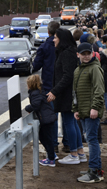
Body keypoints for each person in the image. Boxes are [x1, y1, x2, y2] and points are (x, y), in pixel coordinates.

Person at [47, 28, 86, 164]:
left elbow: (67, 76)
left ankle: (74, 154)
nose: (53, 39)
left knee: (69, 122)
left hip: (67, 94)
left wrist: (54, 91)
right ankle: (80, 153)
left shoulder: (66, 54)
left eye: (56, 37)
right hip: (68, 93)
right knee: (72, 122)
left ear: (62, 39)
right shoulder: (67, 52)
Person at [33, 21, 69, 153]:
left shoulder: (44, 47)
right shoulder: (65, 46)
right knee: (66, 116)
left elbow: (36, 66)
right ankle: (68, 143)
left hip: (49, 85)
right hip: (64, 85)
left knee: (51, 116)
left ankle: (53, 144)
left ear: (48, 32)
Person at [73, 42, 105, 183]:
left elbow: (99, 90)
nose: (86, 56)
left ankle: (95, 172)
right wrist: (75, 109)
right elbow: (75, 92)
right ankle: (94, 168)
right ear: (78, 54)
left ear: (92, 53)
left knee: (92, 140)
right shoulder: (78, 70)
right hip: (83, 111)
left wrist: (95, 108)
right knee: (90, 139)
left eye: (88, 53)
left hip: (92, 111)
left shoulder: (94, 69)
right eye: (83, 54)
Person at [25, 75, 57, 167]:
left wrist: (27, 108)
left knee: (46, 138)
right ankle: (51, 155)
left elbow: (35, 106)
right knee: (44, 137)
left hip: (46, 119)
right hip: (47, 118)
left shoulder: (35, 93)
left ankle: (51, 159)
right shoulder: (40, 91)